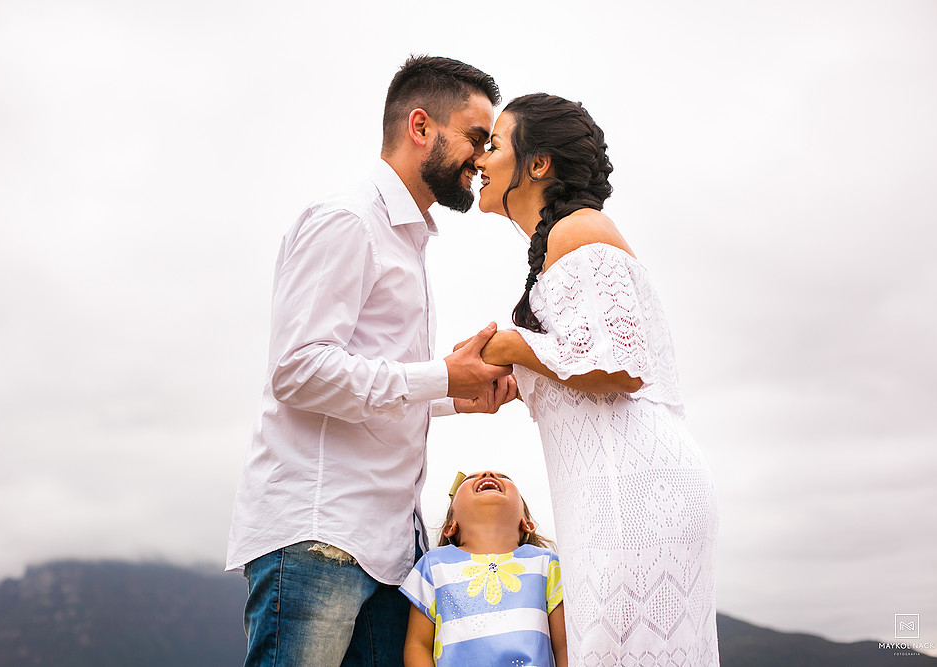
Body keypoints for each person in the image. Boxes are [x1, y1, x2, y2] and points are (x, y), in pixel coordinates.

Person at [226, 56, 518, 666]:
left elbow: (370, 380)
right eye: (474, 137)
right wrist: (440, 375)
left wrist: (455, 392)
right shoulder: (348, 220)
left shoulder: (407, 241)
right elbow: (299, 369)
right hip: (320, 537)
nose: (483, 157)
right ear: (420, 126)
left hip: (389, 551)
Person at [472, 93, 720, 665]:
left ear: (538, 164)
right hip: (613, 489)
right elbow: (579, 363)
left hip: (632, 489)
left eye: (495, 144)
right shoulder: (562, 241)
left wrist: (514, 345)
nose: (482, 159)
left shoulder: (579, 229)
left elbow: (617, 364)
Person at [401, 470, 568, 666]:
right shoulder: (433, 565)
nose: (488, 474)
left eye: (504, 477)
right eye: (471, 478)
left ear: (527, 523)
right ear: (450, 527)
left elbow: (565, 646)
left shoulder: (546, 563)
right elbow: (418, 645)